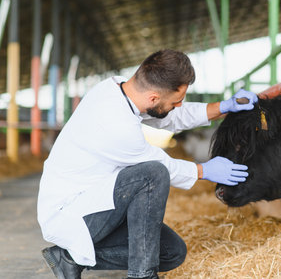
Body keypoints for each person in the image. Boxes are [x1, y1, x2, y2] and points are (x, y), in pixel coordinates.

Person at [37, 49, 258, 279]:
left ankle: (68, 258)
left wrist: (223, 106)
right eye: (177, 101)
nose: (179, 105)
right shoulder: (116, 123)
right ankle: (142, 275)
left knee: (172, 252)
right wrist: (205, 170)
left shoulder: (121, 90)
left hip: (99, 197)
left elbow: (171, 117)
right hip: (72, 211)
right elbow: (162, 167)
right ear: (153, 97)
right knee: (152, 175)